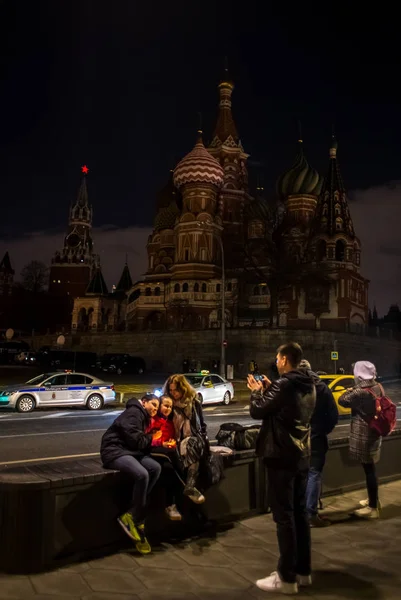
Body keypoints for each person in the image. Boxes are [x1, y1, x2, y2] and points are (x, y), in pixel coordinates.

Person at [248, 342, 316, 594]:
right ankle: (303, 571)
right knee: (300, 515)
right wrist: (269, 389)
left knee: (283, 517)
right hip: (301, 456)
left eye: (278, 358)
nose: (276, 361)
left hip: (280, 456)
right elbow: (286, 410)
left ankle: (286, 578)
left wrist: (257, 392)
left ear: (285, 359)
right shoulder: (308, 383)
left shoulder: (285, 384)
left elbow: (257, 411)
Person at [100, 394, 162, 555]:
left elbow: (141, 443)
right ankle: (134, 517)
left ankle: (134, 512)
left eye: (157, 406)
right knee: (142, 474)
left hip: (130, 452)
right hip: (114, 451)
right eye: (153, 404)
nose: (155, 408)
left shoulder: (144, 417)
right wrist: (153, 438)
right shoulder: (134, 412)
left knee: (155, 468)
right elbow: (136, 440)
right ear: (144, 402)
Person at [338, 361, 382, 519]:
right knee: (370, 468)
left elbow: (342, 400)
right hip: (375, 433)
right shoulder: (377, 386)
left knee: (369, 469)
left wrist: (350, 389)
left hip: (364, 435)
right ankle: (373, 499)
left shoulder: (360, 391)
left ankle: (373, 508)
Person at [299, 359, 338, 527]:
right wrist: (322, 430)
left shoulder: (291, 387)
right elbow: (333, 415)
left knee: (298, 474)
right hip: (316, 437)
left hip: (295, 439)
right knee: (314, 473)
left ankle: (299, 512)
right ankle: (311, 514)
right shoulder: (322, 388)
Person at [163, 374, 207, 504]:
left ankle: (190, 485)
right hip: (176, 440)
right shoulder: (169, 404)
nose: (173, 393)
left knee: (193, 444)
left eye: (175, 390)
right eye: (170, 390)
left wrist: (203, 438)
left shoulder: (193, 403)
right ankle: (189, 487)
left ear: (183, 389)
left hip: (192, 439)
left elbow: (201, 424)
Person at [148, 395, 186, 521]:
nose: (168, 409)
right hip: (153, 453)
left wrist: (171, 442)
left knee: (169, 469)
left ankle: (171, 505)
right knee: (172, 465)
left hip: (166, 457)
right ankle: (186, 485)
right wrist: (161, 444)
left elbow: (171, 440)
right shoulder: (153, 420)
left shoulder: (169, 423)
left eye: (170, 407)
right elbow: (148, 440)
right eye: (165, 405)